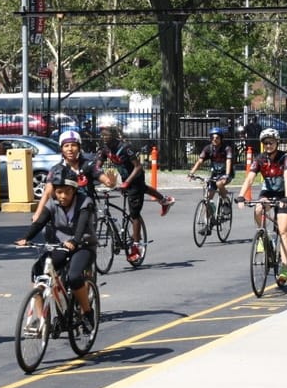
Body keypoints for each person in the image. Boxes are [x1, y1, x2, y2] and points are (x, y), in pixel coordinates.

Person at [16, 166, 97, 332]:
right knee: (38, 270)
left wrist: (75, 240)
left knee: (74, 277)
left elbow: (81, 226)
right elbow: (40, 222)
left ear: (74, 190)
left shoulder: (85, 202)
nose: (63, 196)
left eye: (67, 192)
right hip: (61, 246)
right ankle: (42, 320)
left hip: (84, 246)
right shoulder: (52, 204)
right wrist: (27, 238)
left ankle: (87, 312)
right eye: (59, 192)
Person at [93, 121, 174, 262]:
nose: (103, 136)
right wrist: (96, 176)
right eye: (102, 134)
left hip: (134, 178)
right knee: (142, 190)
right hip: (126, 179)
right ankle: (163, 200)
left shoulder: (125, 148)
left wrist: (126, 183)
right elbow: (97, 166)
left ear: (113, 133)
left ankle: (136, 247)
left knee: (134, 214)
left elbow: (138, 167)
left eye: (106, 133)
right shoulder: (105, 149)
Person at [234, 128, 287, 286]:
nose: (268, 145)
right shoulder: (260, 159)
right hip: (267, 191)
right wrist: (241, 195)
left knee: (283, 230)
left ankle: (284, 268)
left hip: (283, 194)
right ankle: (261, 234)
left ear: (277, 143)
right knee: (259, 208)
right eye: (265, 143)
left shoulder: (285, 158)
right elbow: (249, 179)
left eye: (271, 142)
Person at [33, 130, 116, 222]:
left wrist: (110, 183)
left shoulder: (89, 165)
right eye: (66, 146)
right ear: (62, 149)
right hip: (64, 215)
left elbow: (105, 179)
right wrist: (38, 213)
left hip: (86, 212)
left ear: (79, 147)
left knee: (86, 235)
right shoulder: (56, 169)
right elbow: (47, 193)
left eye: (73, 145)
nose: (70, 149)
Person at [187, 126, 235, 201]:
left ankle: (225, 201)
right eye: (212, 138)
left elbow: (228, 161)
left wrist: (227, 175)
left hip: (226, 174)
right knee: (208, 198)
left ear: (221, 138)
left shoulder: (227, 148)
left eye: (217, 138)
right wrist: (191, 173)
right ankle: (208, 211)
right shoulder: (208, 148)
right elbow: (200, 161)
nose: (214, 139)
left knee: (219, 184)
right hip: (215, 175)